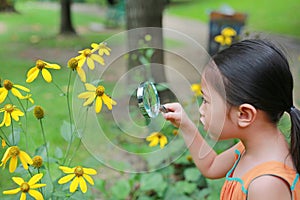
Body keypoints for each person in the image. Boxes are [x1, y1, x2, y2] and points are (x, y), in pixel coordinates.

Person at [162, 39, 300, 199]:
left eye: (206, 101)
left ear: (244, 115)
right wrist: (185, 125)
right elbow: (211, 166)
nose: (201, 109)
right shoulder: (253, 147)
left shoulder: (266, 184)